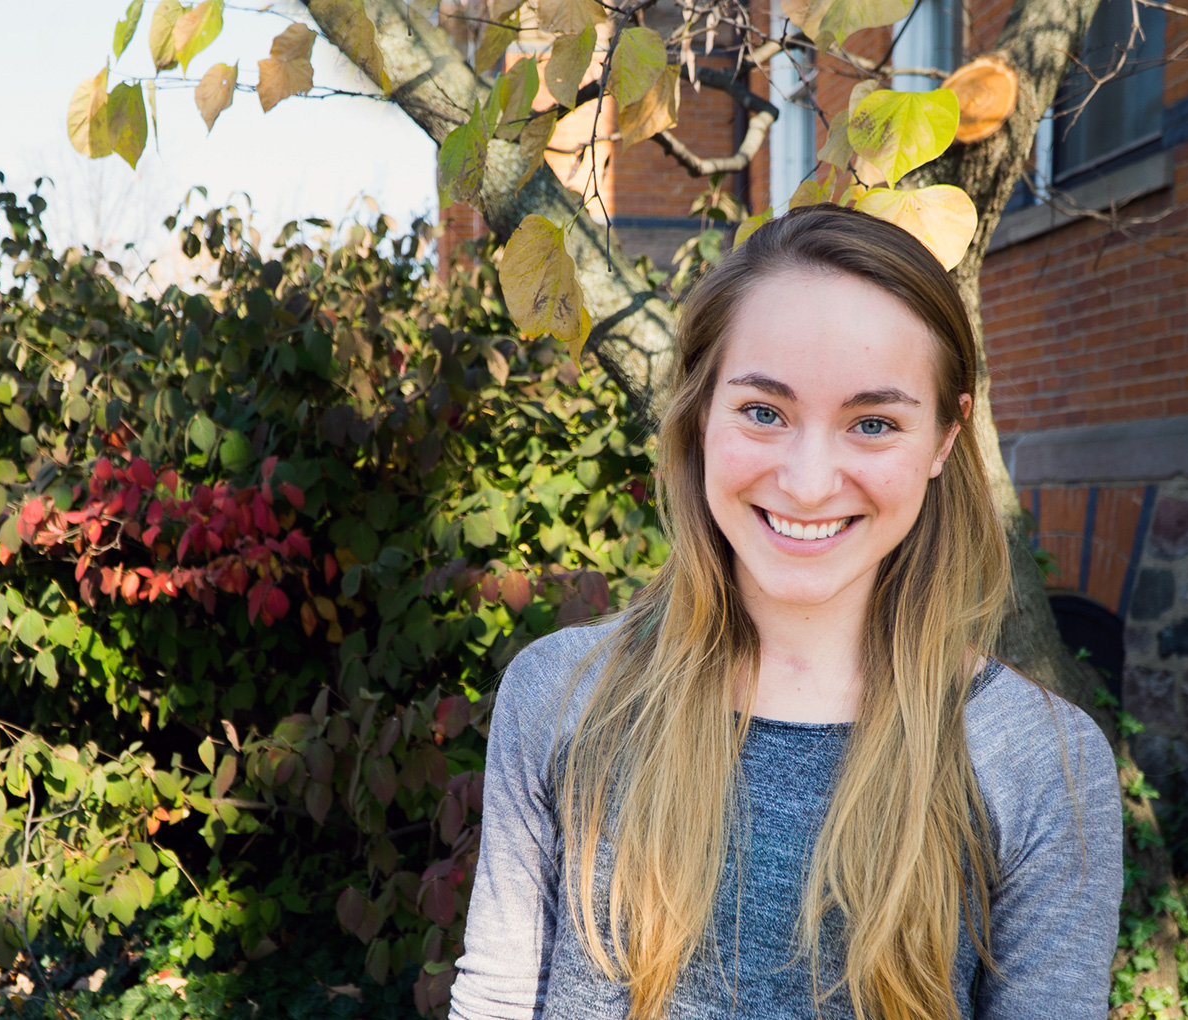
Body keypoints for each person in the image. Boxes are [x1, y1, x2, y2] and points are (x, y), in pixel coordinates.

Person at [448, 205, 1122, 1020]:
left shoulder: (1040, 761)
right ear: (702, 412)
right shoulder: (561, 694)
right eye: (764, 412)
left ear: (946, 438)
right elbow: (498, 999)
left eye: (873, 423)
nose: (807, 483)